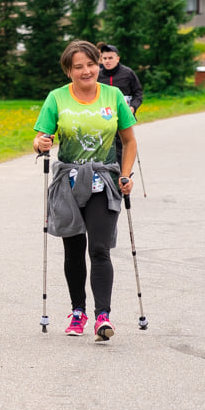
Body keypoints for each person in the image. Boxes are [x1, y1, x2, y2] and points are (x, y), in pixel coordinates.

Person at [33, 40, 137, 342]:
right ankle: (77, 311)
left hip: (103, 180)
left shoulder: (113, 95)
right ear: (69, 71)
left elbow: (129, 141)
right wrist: (41, 143)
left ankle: (102, 316)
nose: (86, 70)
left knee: (100, 249)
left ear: (98, 65)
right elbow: (42, 136)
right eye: (78, 67)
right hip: (68, 180)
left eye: (91, 64)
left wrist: (126, 174)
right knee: (74, 249)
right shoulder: (56, 98)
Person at [96, 42, 143, 165]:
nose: (107, 61)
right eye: (104, 58)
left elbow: (138, 93)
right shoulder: (97, 76)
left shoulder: (127, 73)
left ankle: (122, 174)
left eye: (110, 58)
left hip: (122, 117)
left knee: (122, 146)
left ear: (117, 58)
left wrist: (132, 107)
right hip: (103, 118)